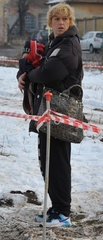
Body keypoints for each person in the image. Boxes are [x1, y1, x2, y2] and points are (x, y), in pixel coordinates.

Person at [17, 3, 83, 227]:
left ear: (70, 21)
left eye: (65, 19)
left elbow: (49, 73)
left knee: (58, 162)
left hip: (61, 113)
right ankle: (56, 207)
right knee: (48, 160)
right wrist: (24, 71)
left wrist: (30, 75)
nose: (61, 23)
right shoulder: (56, 43)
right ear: (51, 22)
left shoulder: (69, 46)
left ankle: (63, 212)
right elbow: (34, 62)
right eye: (57, 19)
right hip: (48, 111)